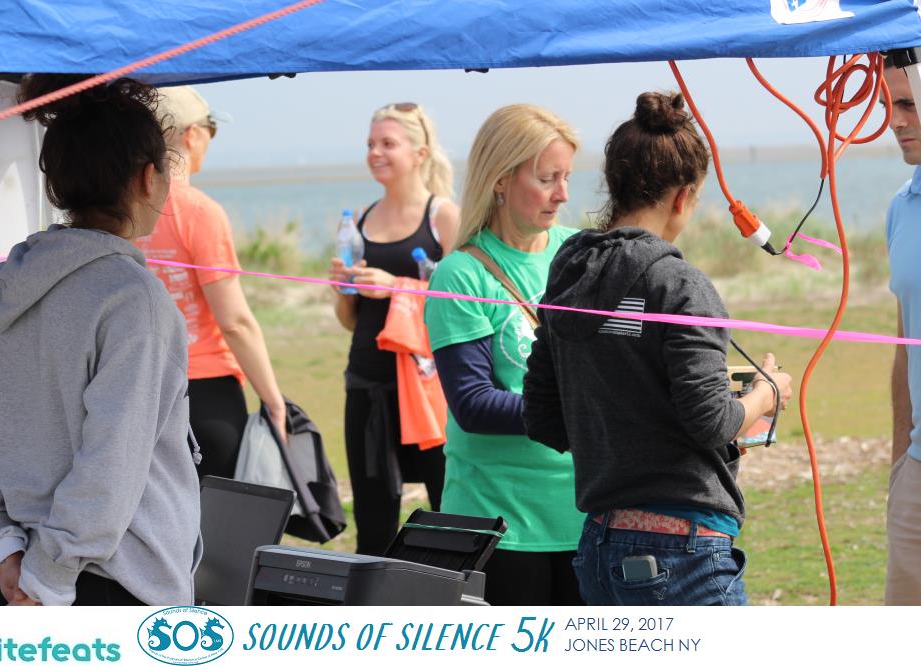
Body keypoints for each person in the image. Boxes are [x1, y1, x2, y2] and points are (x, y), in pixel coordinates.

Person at [523, 91, 792, 606]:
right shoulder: (680, 285)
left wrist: (624, 425)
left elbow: (543, 418)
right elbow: (711, 423)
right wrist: (766, 395)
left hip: (600, 548)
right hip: (682, 552)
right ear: (683, 197)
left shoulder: (568, 273)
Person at [0, 75, 201, 606]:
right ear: (149, 178)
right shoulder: (134, 299)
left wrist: (1, 548)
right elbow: (112, 459)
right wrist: (48, 573)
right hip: (109, 582)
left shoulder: (12, 288)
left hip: (24, 574)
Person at [423, 104, 585, 605]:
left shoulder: (582, 254)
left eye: (566, 177)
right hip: (497, 526)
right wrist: (581, 412)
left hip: (585, 517)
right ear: (499, 180)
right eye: (547, 178)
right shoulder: (460, 274)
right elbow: (472, 404)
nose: (562, 194)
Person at [328, 102, 459, 555]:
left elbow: (467, 306)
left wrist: (396, 286)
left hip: (430, 386)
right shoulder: (359, 221)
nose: (375, 153)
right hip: (368, 383)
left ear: (420, 153)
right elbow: (351, 320)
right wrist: (344, 290)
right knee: (373, 526)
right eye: (370, 144)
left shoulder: (444, 217)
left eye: (388, 143)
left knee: (449, 517)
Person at [136, 86, 287, 480]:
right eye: (211, 130)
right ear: (192, 134)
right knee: (217, 520)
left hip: (139, 387)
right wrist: (273, 401)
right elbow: (234, 321)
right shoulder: (200, 211)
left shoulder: (126, 206)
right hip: (205, 393)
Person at [882, 62, 921, 605]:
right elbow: (903, 345)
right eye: (890, 105)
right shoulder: (900, 208)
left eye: (909, 104)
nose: (894, 121)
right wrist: (899, 466)